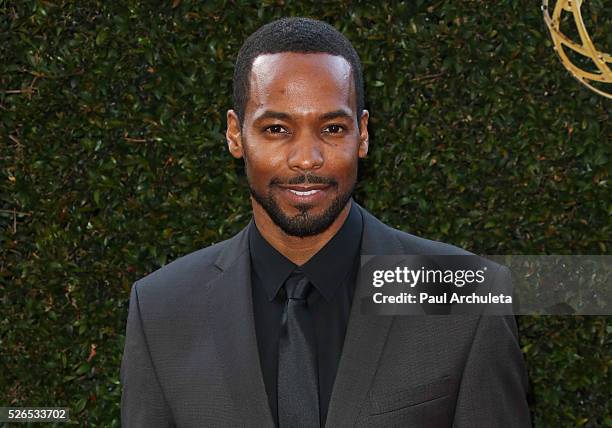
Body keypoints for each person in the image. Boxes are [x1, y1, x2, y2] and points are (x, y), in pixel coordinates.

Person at [121, 17, 531, 427]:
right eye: (277, 128)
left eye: (332, 128)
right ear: (235, 134)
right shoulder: (162, 309)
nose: (306, 158)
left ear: (363, 134)